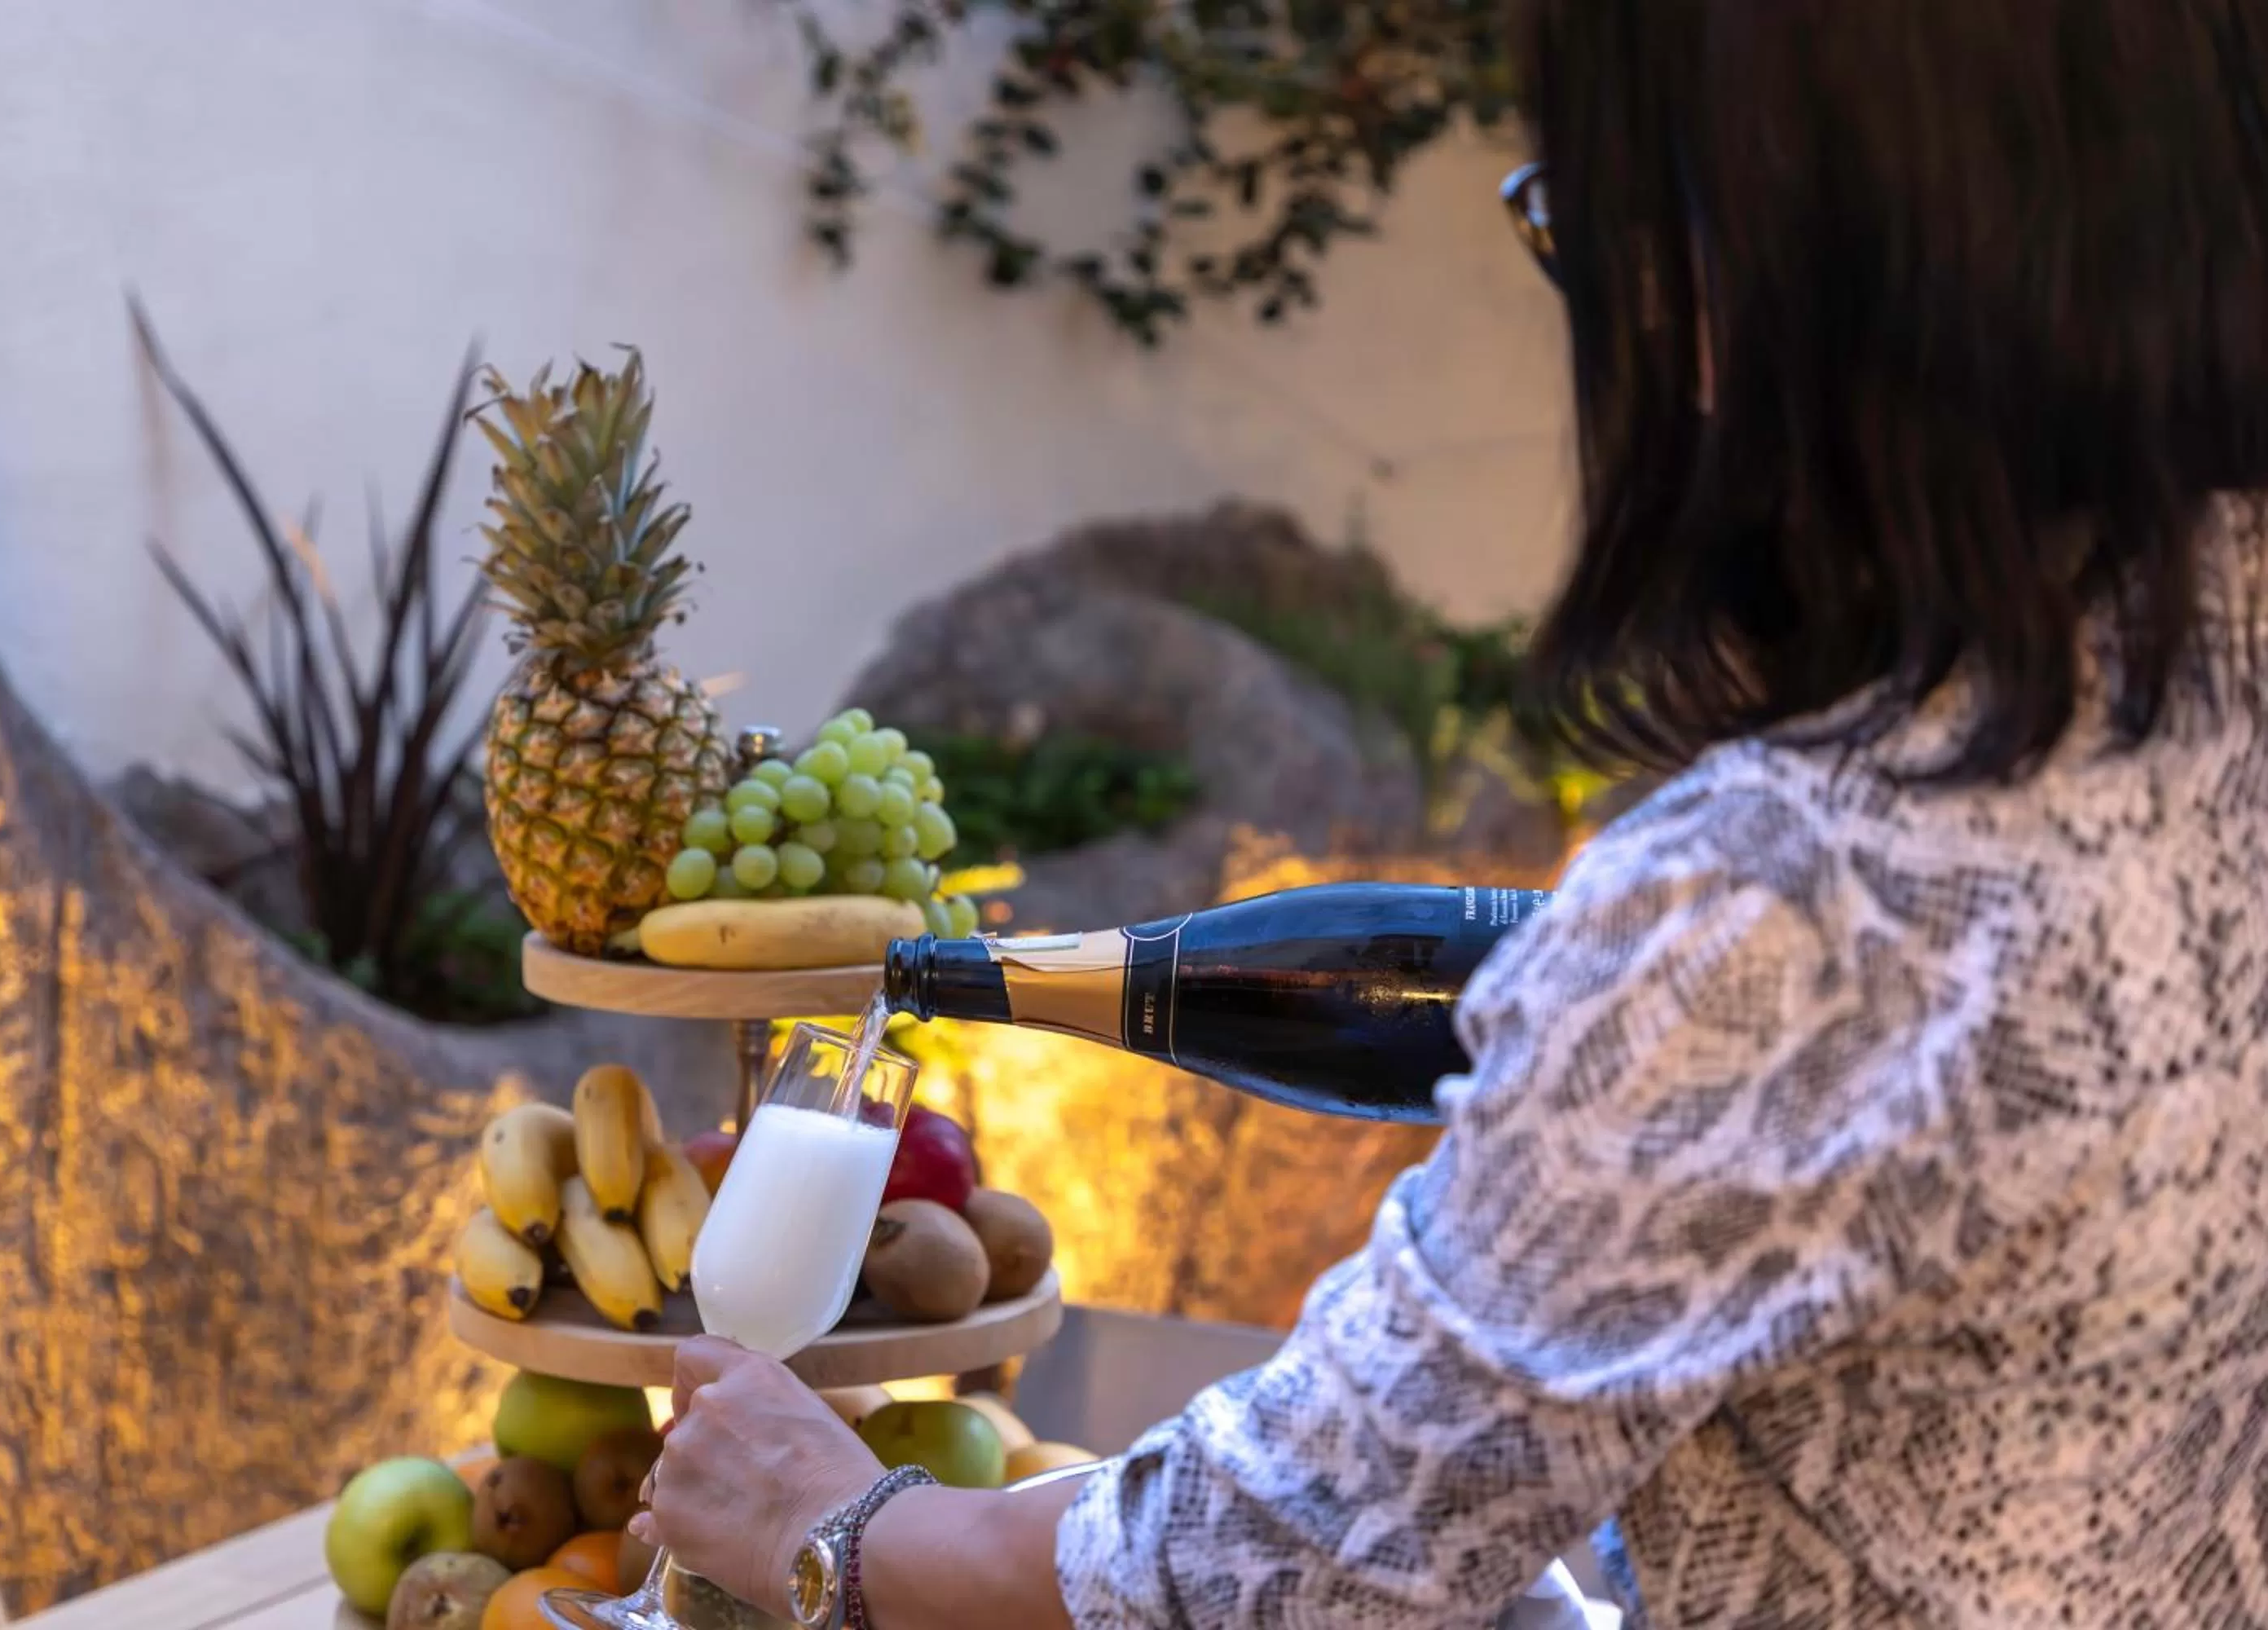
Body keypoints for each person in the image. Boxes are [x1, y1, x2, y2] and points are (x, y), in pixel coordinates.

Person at [633, 0, 2268, 1623]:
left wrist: (825, 1521)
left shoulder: (1793, 904)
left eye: (1595, 219)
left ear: (1779, 245)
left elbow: (1289, 1562)